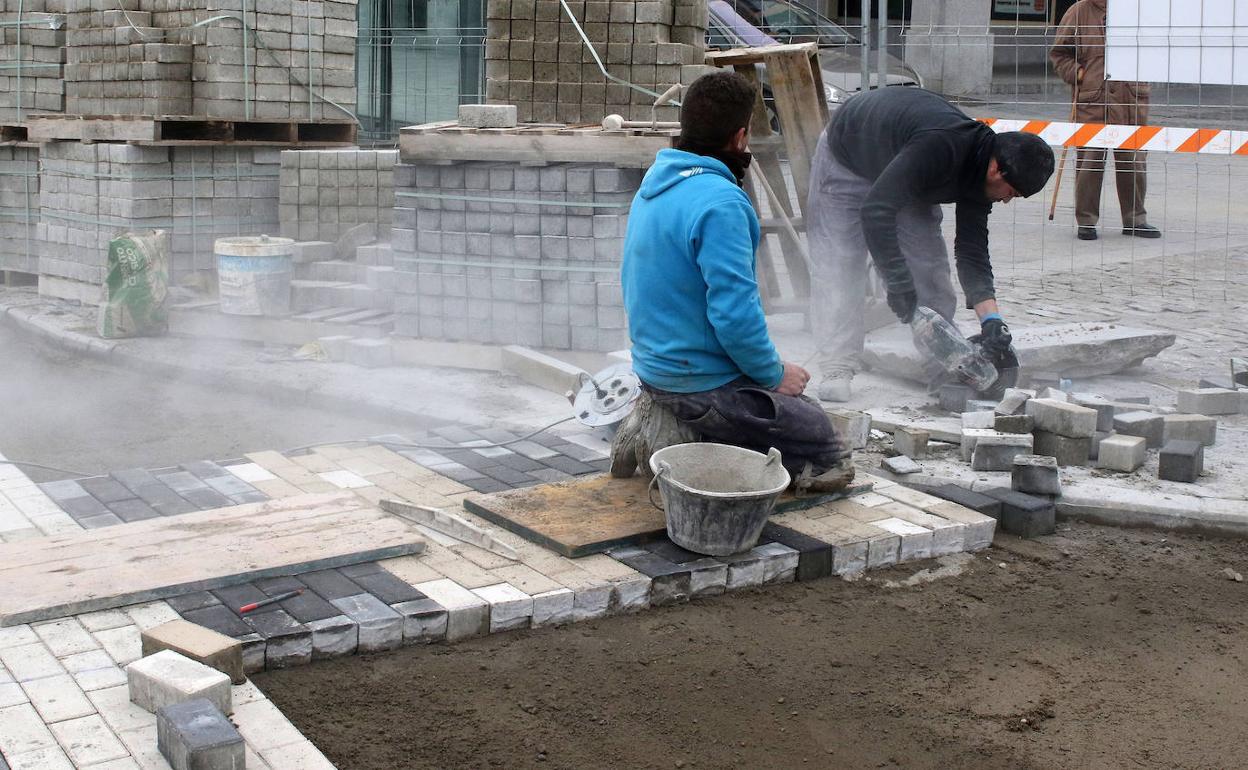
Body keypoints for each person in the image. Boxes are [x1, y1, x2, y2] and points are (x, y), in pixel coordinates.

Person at [611, 70, 852, 493]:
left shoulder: (657, 182)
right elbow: (735, 315)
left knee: (791, 412)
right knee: (821, 434)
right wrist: (774, 373)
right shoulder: (720, 203)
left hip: (655, 369)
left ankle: (673, 423)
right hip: (696, 386)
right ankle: (697, 440)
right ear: (741, 137)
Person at [806, 86, 1055, 403]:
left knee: (929, 267)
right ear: (997, 168)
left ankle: (944, 368)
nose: (1008, 200)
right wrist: (896, 280)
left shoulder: (983, 175)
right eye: (1012, 192)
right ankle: (837, 366)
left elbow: (972, 251)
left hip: (906, 171)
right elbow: (876, 210)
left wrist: (992, 322)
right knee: (839, 263)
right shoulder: (942, 145)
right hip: (848, 157)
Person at [1050, 0, 1159, 241]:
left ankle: (1135, 219)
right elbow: (1060, 53)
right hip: (1093, 100)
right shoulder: (1079, 11)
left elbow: (1156, 46)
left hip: (1131, 98)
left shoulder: (1137, 10)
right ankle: (1086, 220)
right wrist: (1079, 73)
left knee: (1134, 161)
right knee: (1090, 161)